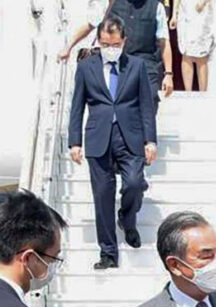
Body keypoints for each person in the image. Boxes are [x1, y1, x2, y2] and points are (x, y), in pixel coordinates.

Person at [68, 15, 158, 271]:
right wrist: (74, 142)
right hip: (99, 137)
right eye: (106, 44)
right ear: (98, 41)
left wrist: (150, 140)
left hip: (130, 135)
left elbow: (146, 106)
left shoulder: (137, 66)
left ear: (124, 41)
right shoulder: (86, 67)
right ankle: (108, 253)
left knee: (134, 184)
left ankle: (127, 220)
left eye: (115, 44)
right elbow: (77, 106)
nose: (110, 49)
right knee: (102, 196)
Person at [60, 0, 175, 105]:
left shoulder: (156, 7)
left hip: (145, 64)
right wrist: (68, 47)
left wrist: (168, 74)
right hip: (116, 62)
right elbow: (90, 26)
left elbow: (164, 42)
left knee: (150, 99)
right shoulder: (111, 3)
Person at [171, 0, 214, 92]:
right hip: (185, 9)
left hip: (201, 10)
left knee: (201, 56)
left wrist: (203, 2)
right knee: (185, 53)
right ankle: (188, 92)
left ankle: (203, 93)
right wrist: (174, 14)